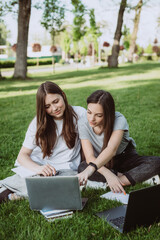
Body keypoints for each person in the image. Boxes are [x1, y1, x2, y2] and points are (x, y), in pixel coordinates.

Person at [0, 81, 86, 203]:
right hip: (39, 167)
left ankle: (12, 193)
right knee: (41, 182)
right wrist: (39, 168)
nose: (54, 108)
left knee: (70, 186)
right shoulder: (38, 123)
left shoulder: (79, 114)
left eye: (56, 102)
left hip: (66, 169)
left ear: (63, 95)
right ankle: (13, 190)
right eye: (47, 106)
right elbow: (22, 156)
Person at [77, 90, 160, 194]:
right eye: (89, 112)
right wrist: (108, 174)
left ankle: (114, 182)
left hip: (125, 158)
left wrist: (109, 175)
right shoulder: (82, 122)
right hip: (102, 162)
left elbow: (111, 149)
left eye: (98, 115)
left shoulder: (119, 119)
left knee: (157, 162)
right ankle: (133, 178)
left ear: (108, 114)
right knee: (82, 167)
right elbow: (89, 157)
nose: (91, 119)